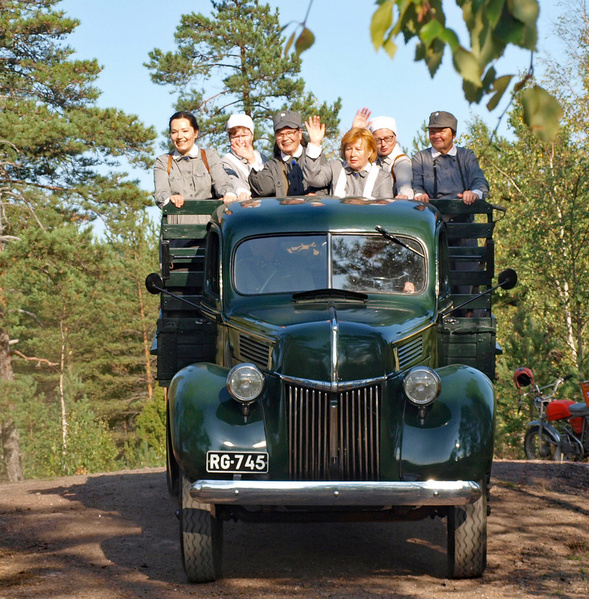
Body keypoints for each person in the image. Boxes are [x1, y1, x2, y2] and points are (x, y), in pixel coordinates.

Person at [153, 111, 237, 223]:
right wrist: (170, 199)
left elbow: (223, 183)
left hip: (209, 227)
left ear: (196, 133)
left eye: (185, 131)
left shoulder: (210, 156)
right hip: (178, 229)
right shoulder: (162, 162)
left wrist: (229, 195)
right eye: (174, 132)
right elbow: (160, 193)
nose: (180, 136)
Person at [303, 116, 393, 200]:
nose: (353, 154)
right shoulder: (335, 167)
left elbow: (385, 208)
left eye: (358, 149)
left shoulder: (382, 177)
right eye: (349, 149)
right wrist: (314, 143)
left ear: (370, 152)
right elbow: (313, 179)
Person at [411, 110, 489, 204]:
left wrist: (474, 193)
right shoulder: (420, 158)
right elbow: (416, 184)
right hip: (431, 212)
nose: (436, 136)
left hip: (464, 211)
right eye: (432, 132)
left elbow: (479, 181)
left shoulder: (466, 156)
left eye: (442, 131)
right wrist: (419, 195)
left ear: (454, 134)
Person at [249, 110, 328, 197]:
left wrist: (317, 196)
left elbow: (326, 187)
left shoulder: (315, 157)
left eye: (289, 133)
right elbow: (264, 189)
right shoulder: (272, 166)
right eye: (280, 134)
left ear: (300, 133)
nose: (285, 138)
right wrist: (251, 160)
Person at [352, 108, 413, 198]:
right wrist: (354, 132)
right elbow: (348, 158)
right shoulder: (369, 158)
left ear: (395, 137)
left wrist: (404, 196)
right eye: (378, 140)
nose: (383, 144)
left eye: (387, 138)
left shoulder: (400, 161)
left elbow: (405, 187)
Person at [221, 114, 268, 199]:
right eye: (235, 137)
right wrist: (241, 191)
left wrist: (251, 160)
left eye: (244, 136)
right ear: (230, 139)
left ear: (252, 136)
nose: (240, 141)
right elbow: (232, 179)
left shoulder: (262, 158)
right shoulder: (225, 161)